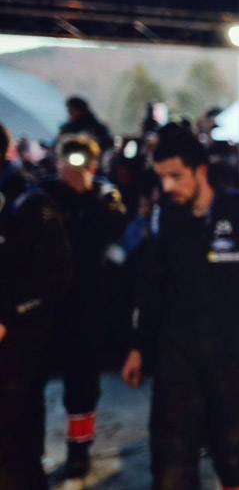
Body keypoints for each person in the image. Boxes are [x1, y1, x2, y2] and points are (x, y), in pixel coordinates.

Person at [121, 127, 239, 490]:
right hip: (175, 360)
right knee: (171, 462)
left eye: (176, 176)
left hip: (230, 358)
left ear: (200, 170)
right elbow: (147, 289)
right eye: (161, 177)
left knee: (234, 458)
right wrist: (137, 346)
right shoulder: (163, 218)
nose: (167, 186)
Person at [40, 134, 127, 479]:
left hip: (86, 307)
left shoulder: (104, 198)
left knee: (82, 385)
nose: (76, 168)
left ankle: (79, 450)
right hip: (47, 306)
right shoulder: (43, 196)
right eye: (69, 160)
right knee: (31, 385)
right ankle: (29, 452)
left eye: (84, 161)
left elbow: (117, 234)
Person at [0, 123, 73, 489]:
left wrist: (9, 316)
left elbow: (57, 276)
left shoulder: (29, 202)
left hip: (21, 340)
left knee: (15, 438)